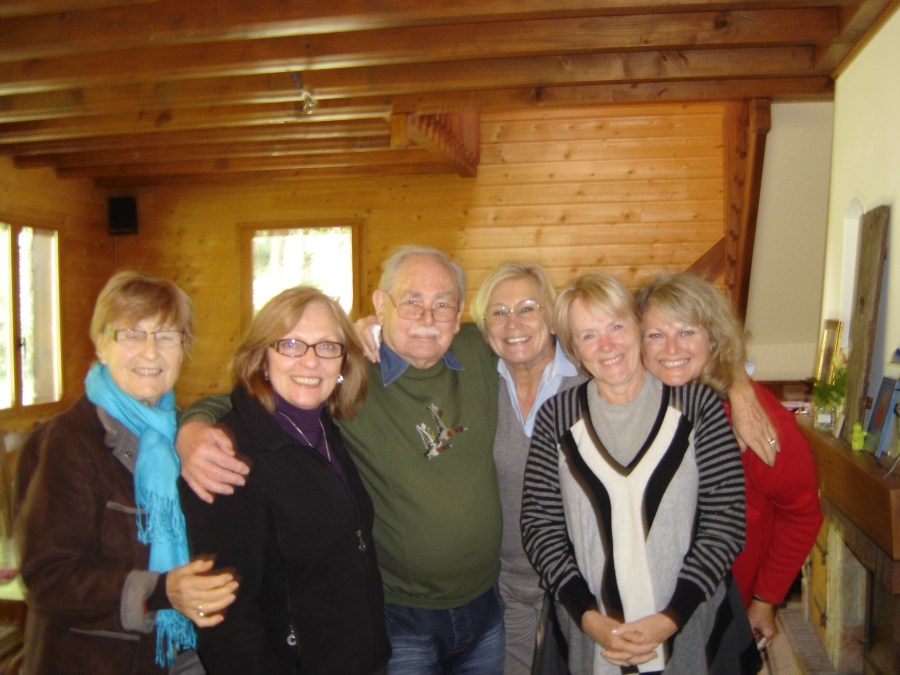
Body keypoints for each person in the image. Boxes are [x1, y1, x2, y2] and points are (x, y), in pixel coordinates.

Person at [176, 246, 504, 674]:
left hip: (482, 608)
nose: (427, 317)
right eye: (411, 301)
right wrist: (192, 427)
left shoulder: (478, 352)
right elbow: (254, 398)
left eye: (442, 304)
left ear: (460, 310)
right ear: (380, 305)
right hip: (400, 619)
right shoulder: (350, 377)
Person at [521, 272, 756, 674]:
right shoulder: (556, 417)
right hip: (590, 638)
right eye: (589, 335)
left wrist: (670, 618)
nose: (607, 345)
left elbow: (726, 519)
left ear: (637, 326)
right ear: (574, 347)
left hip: (691, 628)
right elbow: (540, 527)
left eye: (616, 326)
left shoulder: (696, 406)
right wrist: (591, 619)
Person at [15, 270, 238, 674]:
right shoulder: (66, 441)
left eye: (167, 336)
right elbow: (49, 579)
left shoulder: (183, 433)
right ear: (101, 345)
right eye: (132, 334)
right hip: (96, 662)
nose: (151, 352)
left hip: (186, 650)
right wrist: (160, 591)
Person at [177, 286, 390, 674]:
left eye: (327, 346)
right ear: (262, 356)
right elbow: (226, 622)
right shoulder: (226, 455)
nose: (311, 361)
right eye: (291, 344)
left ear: (343, 361)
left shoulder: (325, 430)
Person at [636, 272, 822, 648]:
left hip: (723, 606)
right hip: (650, 606)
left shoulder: (757, 421)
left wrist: (766, 599)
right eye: (656, 334)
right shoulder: (638, 404)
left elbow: (801, 513)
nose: (671, 348)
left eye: (687, 332)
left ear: (714, 338)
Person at [469, 262, 585, 674]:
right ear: (484, 328)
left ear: (552, 318)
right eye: (499, 312)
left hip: (585, 584)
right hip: (509, 586)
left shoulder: (591, 380)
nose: (512, 322)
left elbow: (672, 356)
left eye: (528, 307)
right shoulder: (476, 383)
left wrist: (739, 383)